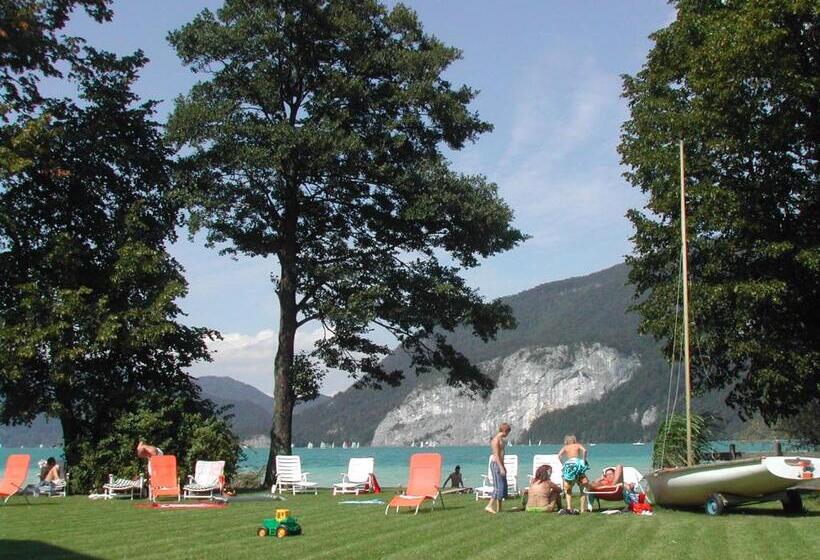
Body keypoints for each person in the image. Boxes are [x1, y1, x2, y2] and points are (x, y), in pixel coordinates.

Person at [558, 434, 589, 513]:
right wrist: (584, 460)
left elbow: (559, 455)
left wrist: (563, 464)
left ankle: (569, 507)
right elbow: (585, 450)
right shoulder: (577, 445)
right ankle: (582, 509)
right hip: (577, 464)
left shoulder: (565, 447)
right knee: (582, 488)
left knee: (568, 489)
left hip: (569, 465)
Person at [485, 422, 511, 514]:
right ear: (504, 431)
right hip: (496, 464)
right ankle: (489, 505)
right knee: (498, 487)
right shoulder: (496, 440)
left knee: (502, 486)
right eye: (508, 432)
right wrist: (501, 467)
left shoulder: (501, 440)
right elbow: (496, 455)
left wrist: (503, 466)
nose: (508, 434)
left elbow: (502, 455)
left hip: (500, 464)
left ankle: (499, 508)